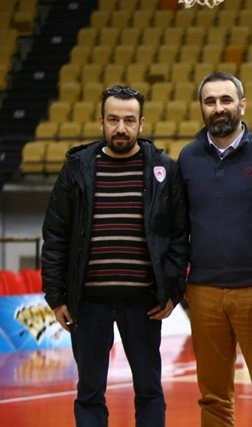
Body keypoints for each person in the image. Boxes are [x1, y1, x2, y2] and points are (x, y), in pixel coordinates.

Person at [41, 85, 189, 426]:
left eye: (129, 120)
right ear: (101, 121)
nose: (121, 128)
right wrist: (55, 297)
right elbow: (56, 234)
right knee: (89, 391)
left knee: (149, 389)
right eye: (113, 120)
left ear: (141, 123)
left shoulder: (164, 170)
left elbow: (179, 237)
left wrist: (173, 290)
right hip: (88, 302)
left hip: (144, 303)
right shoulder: (77, 168)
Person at [177, 71, 252, 426]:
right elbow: (179, 225)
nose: (218, 107)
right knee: (213, 396)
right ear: (201, 108)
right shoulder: (187, 158)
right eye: (210, 101)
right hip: (203, 291)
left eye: (226, 100)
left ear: (242, 105)